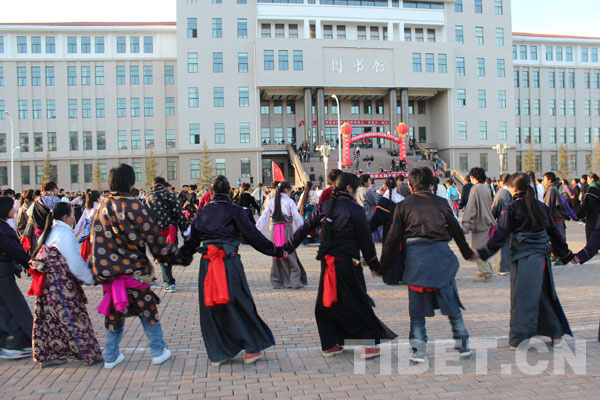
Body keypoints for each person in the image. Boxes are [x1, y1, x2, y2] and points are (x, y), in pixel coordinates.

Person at [284, 173, 397, 359]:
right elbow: (365, 240)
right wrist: (374, 264)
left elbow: (304, 229)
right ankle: (368, 345)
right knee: (357, 301)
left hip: (328, 263)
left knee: (327, 302)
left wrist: (287, 248)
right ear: (350, 189)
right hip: (349, 262)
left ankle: (329, 344)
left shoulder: (324, 207)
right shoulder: (355, 210)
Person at [176, 176, 285, 367]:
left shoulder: (202, 212)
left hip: (208, 265)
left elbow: (191, 243)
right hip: (229, 261)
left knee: (211, 309)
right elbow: (253, 236)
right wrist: (275, 250)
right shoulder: (235, 210)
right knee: (239, 303)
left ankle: (219, 353)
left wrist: (178, 258)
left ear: (210, 193)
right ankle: (251, 347)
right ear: (229, 192)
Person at [92, 164, 181, 369]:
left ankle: (111, 355)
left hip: (111, 273)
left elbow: (95, 239)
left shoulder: (102, 206)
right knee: (147, 310)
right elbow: (151, 235)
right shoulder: (133, 204)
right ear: (130, 182)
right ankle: (158, 350)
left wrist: (99, 270)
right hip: (134, 271)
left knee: (114, 314)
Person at [380, 167, 473, 363]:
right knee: (452, 305)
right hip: (441, 257)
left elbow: (393, 237)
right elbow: (456, 230)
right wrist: (466, 252)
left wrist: (383, 265)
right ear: (431, 185)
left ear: (411, 187)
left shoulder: (403, 206)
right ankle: (462, 343)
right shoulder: (441, 202)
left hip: (416, 260)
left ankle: (419, 350)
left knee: (417, 310)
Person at [474, 173, 573, 349]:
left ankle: (519, 338)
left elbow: (500, 235)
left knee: (522, 298)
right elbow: (554, 233)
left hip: (522, 259)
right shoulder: (540, 207)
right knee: (543, 294)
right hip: (541, 259)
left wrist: (482, 253)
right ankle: (556, 334)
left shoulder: (511, 209)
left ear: (513, 188)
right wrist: (566, 254)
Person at [29, 202, 102, 367]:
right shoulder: (64, 234)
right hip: (61, 284)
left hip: (46, 284)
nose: (74, 217)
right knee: (74, 317)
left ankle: (48, 355)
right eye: (72, 213)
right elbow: (75, 264)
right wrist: (91, 278)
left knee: (49, 320)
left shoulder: (49, 232)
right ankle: (88, 353)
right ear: (66, 217)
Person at [256, 182, 307, 289]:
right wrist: (303, 231)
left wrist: (255, 230)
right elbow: (297, 218)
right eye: (290, 190)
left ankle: (277, 280)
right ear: (286, 190)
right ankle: (294, 281)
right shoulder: (289, 201)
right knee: (289, 253)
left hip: (275, 231)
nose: (290, 192)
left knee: (277, 254)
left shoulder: (271, 201)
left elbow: (264, 217)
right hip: (287, 230)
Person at [0, 196, 33, 360]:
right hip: (3, 275)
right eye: (12, 207)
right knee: (16, 306)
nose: (15, 209)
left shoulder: (4, 227)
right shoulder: (2, 229)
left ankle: (8, 343)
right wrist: (31, 265)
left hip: (3, 273)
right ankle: (16, 343)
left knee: (5, 309)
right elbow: (14, 250)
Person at [144, 177, 188, 293]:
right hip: (170, 229)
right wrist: (185, 232)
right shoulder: (169, 195)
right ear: (163, 185)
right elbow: (179, 213)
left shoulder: (147, 197)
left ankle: (169, 282)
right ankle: (168, 280)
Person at [462, 168, 496, 282]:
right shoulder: (486, 188)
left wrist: (466, 223)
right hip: (488, 221)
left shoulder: (475, 189)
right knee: (483, 247)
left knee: (477, 249)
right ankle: (486, 269)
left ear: (473, 177)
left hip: (479, 222)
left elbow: (471, 207)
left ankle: (486, 272)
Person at [491, 173, 513, 275]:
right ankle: (508, 266)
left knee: (503, 246)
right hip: (513, 222)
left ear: (502, 182)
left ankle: (502, 267)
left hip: (502, 222)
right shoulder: (512, 193)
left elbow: (494, 210)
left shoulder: (500, 194)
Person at [73, 190, 100, 262]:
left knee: (86, 255)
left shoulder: (87, 208)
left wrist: (75, 233)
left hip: (88, 234)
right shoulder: (100, 206)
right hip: (99, 233)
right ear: (98, 198)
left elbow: (81, 223)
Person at [542, 172, 569, 241]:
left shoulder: (551, 190)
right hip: (556, 220)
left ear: (549, 180)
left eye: (545, 179)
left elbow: (548, 206)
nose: (543, 181)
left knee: (557, 241)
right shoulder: (552, 189)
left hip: (556, 220)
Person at [576, 173, 600, 241]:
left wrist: (579, 214)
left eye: (588, 179)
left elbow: (587, 204)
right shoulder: (598, 187)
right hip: (598, 213)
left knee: (591, 231)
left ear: (592, 179)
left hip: (592, 214)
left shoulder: (592, 189)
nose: (587, 181)